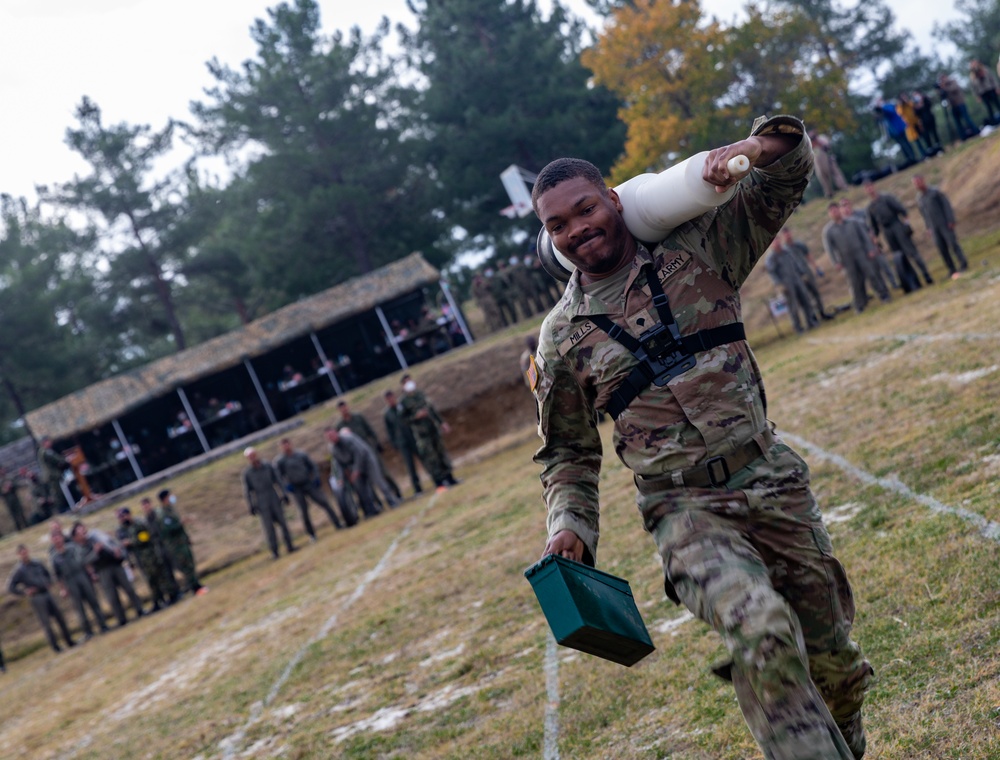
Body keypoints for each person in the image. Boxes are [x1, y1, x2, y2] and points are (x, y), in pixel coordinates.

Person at [530, 116, 872, 759]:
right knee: (763, 632)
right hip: (685, 512)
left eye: (585, 209)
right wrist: (568, 522)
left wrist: (746, 151)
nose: (577, 230)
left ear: (615, 200)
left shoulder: (703, 251)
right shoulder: (560, 339)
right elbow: (568, 451)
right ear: (549, 237)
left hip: (771, 481)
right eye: (558, 225)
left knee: (836, 668)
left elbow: (786, 174)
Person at [72, 520, 145, 626]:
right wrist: (95, 552)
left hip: (115, 565)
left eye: (83, 529)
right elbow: (84, 561)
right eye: (80, 531)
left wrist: (117, 550)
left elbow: (111, 542)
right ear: (76, 536)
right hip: (102, 570)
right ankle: (121, 619)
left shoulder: (96, 536)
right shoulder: (80, 549)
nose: (83, 532)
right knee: (112, 596)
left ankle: (140, 609)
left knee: (129, 588)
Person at [824, 202, 892, 312]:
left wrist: (870, 249)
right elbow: (830, 249)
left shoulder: (853, 222)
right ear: (829, 214)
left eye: (836, 210)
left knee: (872, 275)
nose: (835, 213)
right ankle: (860, 305)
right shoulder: (829, 231)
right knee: (854, 282)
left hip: (861, 253)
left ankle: (884, 295)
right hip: (846, 259)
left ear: (839, 210)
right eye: (832, 211)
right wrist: (836, 262)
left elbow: (864, 237)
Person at [864, 180, 934, 286]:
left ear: (874, 186)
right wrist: (875, 238)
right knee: (899, 257)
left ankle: (926, 275)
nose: (870, 190)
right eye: (867, 188)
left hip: (896, 224)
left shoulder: (886, 197)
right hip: (886, 231)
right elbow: (874, 226)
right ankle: (912, 280)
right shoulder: (870, 207)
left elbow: (902, 210)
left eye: (870, 187)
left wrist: (906, 224)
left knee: (912, 252)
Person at [273, 438, 345, 540]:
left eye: (287, 444)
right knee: (303, 511)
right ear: (281, 447)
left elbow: (313, 466)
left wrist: (316, 478)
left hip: (307, 483)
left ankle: (337, 523)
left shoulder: (301, 454)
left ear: (291, 444)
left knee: (324, 502)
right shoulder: (280, 461)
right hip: (296, 488)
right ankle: (311, 534)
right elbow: (278, 476)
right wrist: (286, 486)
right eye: (283, 446)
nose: (286, 447)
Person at [9, 543, 76, 652]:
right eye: (22, 553)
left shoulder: (37, 562)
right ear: (18, 555)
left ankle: (69, 641)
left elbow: (47, 573)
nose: (24, 555)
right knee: (47, 624)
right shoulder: (19, 570)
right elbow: (11, 587)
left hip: (46, 592)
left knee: (60, 618)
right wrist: (25, 592)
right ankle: (56, 647)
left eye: (25, 552)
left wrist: (48, 582)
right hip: (36, 597)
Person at [399, 375, 458, 489]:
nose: (410, 383)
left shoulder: (421, 394)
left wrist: (442, 423)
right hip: (422, 434)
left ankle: (450, 478)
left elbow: (432, 409)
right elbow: (403, 420)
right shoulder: (403, 402)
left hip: (433, 429)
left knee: (441, 453)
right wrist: (415, 416)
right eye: (406, 382)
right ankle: (439, 483)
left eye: (410, 380)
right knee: (431, 458)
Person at [325, 427, 399, 518]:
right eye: (329, 437)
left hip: (367, 460)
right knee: (361, 489)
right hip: (353, 465)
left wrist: (356, 470)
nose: (331, 438)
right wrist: (340, 478)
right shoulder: (333, 448)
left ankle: (392, 501)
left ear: (336, 433)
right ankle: (371, 510)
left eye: (332, 435)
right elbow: (339, 464)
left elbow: (359, 454)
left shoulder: (348, 439)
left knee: (378, 481)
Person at [50, 526, 108, 637]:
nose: (57, 540)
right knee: (79, 608)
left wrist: (91, 574)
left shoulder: (73, 548)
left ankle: (103, 625)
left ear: (62, 538)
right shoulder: (54, 557)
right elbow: (58, 576)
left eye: (58, 537)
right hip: (70, 581)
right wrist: (63, 589)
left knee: (93, 601)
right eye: (54, 538)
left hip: (81, 575)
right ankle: (88, 631)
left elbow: (84, 562)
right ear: (52, 541)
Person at [115, 506, 177, 611]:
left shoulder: (139, 524)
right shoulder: (125, 529)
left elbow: (145, 537)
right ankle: (158, 600)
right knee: (150, 579)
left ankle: (172, 595)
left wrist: (131, 542)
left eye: (123, 516)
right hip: (141, 558)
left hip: (150, 555)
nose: (122, 519)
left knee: (161, 576)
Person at [336, 400, 401, 499]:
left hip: (369, 450)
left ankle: (397, 493)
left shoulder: (358, 417)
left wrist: (377, 443)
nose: (344, 410)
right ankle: (377, 502)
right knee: (366, 480)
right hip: (356, 456)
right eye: (341, 408)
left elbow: (369, 430)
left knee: (383, 473)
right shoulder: (340, 426)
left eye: (345, 407)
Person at [242, 447, 296, 560]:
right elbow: (247, 491)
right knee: (269, 529)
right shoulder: (247, 473)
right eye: (250, 456)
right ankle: (275, 551)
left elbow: (278, 480)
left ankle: (290, 545)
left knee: (283, 523)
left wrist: (284, 494)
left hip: (273, 496)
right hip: (261, 501)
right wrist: (251, 505)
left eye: (253, 455)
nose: (252, 458)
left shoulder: (267, 465)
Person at [839, 197, 901, 292]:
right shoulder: (842, 222)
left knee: (883, 264)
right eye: (843, 205)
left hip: (870, 243)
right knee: (872, 272)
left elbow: (870, 227)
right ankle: (881, 290)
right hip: (859, 250)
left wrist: (875, 241)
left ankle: (894, 283)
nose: (846, 207)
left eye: (847, 204)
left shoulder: (861, 214)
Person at [913, 174, 968, 279]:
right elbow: (924, 215)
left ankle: (963, 263)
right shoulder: (919, 198)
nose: (917, 185)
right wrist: (928, 227)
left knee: (953, 244)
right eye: (915, 183)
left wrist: (950, 220)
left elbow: (946, 205)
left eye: (918, 182)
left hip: (944, 223)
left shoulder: (935, 192)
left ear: (923, 180)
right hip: (934, 227)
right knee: (942, 248)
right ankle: (951, 269)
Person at [154, 490, 207, 595]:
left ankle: (196, 584)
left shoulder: (171, 510)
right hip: (176, 545)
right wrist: (180, 523)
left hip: (182, 542)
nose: (171, 498)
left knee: (190, 563)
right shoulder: (162, 513)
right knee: (185, 566)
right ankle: (194, 588)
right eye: (169, 496)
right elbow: (167, 529)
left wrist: (187, 538)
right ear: (165, 498)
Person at [765, 236, 819, 334]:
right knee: (793, 306)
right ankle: (798, 327)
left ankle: (811, 321)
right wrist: (779, 284)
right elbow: (772, 273)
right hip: (786, 284)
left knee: (806, 300)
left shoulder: (787, 252)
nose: (777, 243)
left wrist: (802, 274)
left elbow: (796, 263)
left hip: (797, 279)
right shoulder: (772, 258)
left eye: (777, 241)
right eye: (774, 242)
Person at [779, 228, 833, 320]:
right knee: (805, 297)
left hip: (806, 271)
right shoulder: (784, 251)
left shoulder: (799, 244)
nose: (788, 236)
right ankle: (812, 316)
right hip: (796, 276)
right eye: (785, 235)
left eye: (789, 233)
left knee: (815, 292)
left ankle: (822, 312)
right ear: (782, 237)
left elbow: (809, 256)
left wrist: (816, 268)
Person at [383, 390, 425, 496]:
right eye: (388, 399)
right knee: (410, 466)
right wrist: (395, 444)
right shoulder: (387, 414)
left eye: (391, 397)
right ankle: (417, 488)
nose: (391, 400)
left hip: (412, 437)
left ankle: (437, 478)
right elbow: (390, 431)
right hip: (402, 442)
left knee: (424, 458)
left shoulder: (402, 407)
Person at [873, 99, 918, 164]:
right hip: (893, 132)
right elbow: (881, 121)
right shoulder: (882, 113)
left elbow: (891, 111)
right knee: (901, 145)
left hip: (899, 128)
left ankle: (912, 157)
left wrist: (882, 108)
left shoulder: (888, 106)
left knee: (905, 143)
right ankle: (908, 158)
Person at [937, 73, 979, 139]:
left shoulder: (952, 81)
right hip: (952, 106)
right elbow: (942, 96)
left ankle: (976, 131)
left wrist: (944, 87)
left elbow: (954, 89)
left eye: (943, 78)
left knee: (966, 118)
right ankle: (963, 137)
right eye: (941, 79)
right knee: (957, 123)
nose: (943, 80)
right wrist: (939, 90)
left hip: (960, 103)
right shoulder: (942, 87)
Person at [807, 130, 848, 198]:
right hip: (818, 163)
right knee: (823, 177)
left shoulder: (822, 138)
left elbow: (828, 147)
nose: (813, 139)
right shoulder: (809, 145)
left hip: (828, 159)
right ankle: (829, 193)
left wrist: (818, 143)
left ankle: (843, 187)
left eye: (813, 137)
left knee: (836, 173)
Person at [37, 437, 71, 514]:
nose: (50, 443)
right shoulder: (45, 451)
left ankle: (62, 508)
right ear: (45, 442)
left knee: (58, 492)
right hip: (52, 475)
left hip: (53, 475)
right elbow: (56, 458)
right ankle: (61, 509)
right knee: (57, 493)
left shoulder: (42, 451)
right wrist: (65, 460)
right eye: (48, 441)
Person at [969, 59, 1000, 125]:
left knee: (997, 104)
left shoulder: (985, 69)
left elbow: (992, 78)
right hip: (982, 93)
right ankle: (994, 123)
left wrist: (997, 87)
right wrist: (977, 96)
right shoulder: (972, 75)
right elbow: (973, 87)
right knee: (989, 108)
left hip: (990, 89)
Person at [0, 466, 28, 531]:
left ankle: (26, 526)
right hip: (8, 501)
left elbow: (17, 485)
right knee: (14, 516)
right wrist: (4, 490)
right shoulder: (0, 482)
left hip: (15, 498)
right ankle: (19, 529)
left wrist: (11, 485)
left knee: (20, 513)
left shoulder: (10, 477)